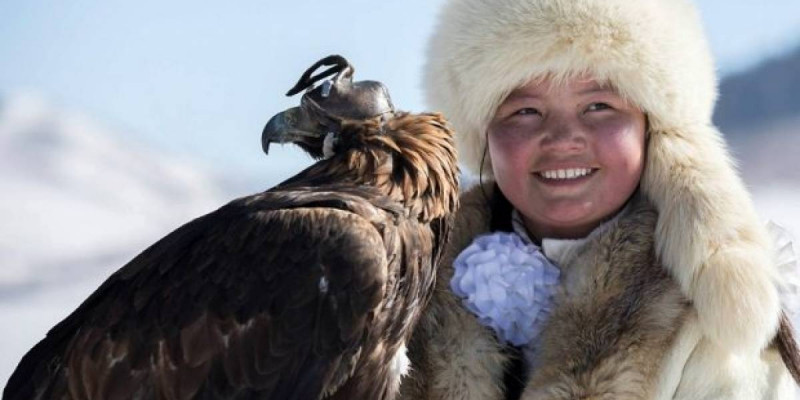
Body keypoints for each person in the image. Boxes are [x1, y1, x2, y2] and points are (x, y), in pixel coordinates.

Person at [397, 0, 798, 398]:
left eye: (599, 105)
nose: (562, 137)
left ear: (652, 126)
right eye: (525, 111)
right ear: (482, 131)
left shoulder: (706, 321)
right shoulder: (405, 293)